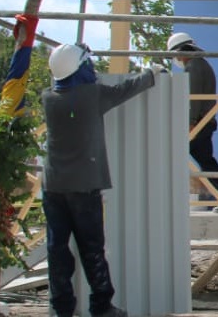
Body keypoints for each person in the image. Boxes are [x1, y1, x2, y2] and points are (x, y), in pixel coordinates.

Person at [42, 43, 160, 317]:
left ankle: (62, 310)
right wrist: (150, 74)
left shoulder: (48, 97)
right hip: (83, 189)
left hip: (53, 187)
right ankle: (101, 306)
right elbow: (125, 89)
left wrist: (76, 52)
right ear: (81, 68)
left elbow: (71, 72)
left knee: (57, 250)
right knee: (92, 249)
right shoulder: (91, 95)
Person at [168, 32, 218, 213]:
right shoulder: (202, 64)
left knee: (204, 161)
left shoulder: (193, 67)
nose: (176, 58)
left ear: (181, 51)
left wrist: (191, 122)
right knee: (206, 160)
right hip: (205, 121)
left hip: (200, 122)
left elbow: (192, 99)